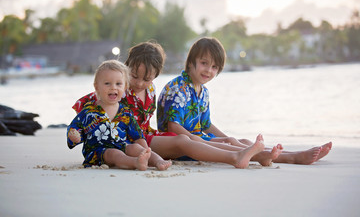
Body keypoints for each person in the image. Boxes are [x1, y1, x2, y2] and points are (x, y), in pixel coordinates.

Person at [73, 41, 282, 168]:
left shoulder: (152, 89)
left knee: (201, 139)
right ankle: (235, 157)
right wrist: (80, 124)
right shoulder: (119, 88)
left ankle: (259, 155)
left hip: (146, 135)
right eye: (134, 76)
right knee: (183, 140)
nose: (139, 83)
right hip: (129, 140)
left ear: (155, 76)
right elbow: (95, 101)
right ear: (126, 67)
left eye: (147, 79)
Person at [157, 37, 332, 165]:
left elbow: (206, 124)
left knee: (242, 142)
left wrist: (229, 139)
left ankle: (282, 153)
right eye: (204, 63)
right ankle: (291, 158)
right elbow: (173, 127)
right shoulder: (178, 88)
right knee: (232, 144)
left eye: (214, 67)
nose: (209, 71)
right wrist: (205, 141)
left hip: (198, 138)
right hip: (183, 144)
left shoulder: (203, 92)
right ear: (190, 63)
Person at [67, 60, 172, 171]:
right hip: (97, 152)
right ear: (97, 87)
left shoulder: (125, 112)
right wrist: (74, 136)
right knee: (114, 153)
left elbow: (137, 136)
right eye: (107, 83)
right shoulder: (89, 110)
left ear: (125, 87)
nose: (113, 87)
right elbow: (75, 128)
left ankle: (157, 161)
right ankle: (135, 162)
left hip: (121, 145)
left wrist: (145, 151)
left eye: (118, 84)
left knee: (134, 147)